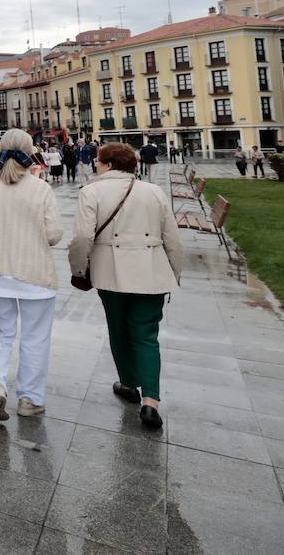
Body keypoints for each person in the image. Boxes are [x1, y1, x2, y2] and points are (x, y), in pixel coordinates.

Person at [68, 142, 182, 430]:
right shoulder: (154, 192)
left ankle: (130, 384)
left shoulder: (91, 192)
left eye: (98, 160)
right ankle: (151, 403)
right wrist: (173, 274)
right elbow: (173, 239)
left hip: (111, 273)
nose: (95, 164)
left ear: (106, 164)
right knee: (147, 335)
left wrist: (79, 269)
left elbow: (82, 237)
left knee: (118, 330)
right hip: (151, 273)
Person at [0, 129, 64, 422]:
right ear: (30, 151)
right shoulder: (41, 189)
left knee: (1, 335)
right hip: (35, 277)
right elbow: (55, 234)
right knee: (35, 338)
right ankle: (30, 399)